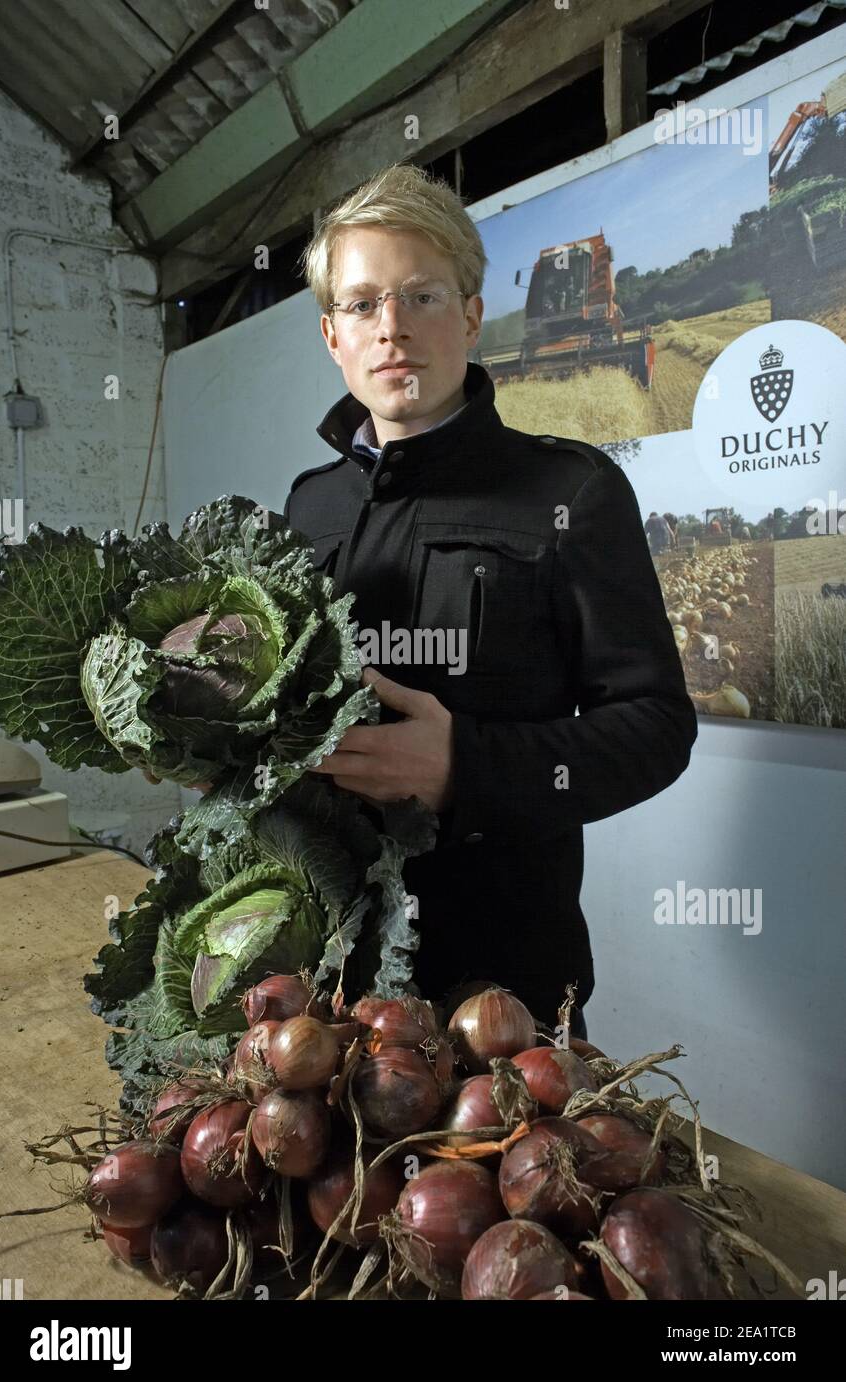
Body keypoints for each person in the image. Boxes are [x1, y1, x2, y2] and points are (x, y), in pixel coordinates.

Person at [283, 164, 697, 1035]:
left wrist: (463, 769)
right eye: (362, 305)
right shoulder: (309, 504)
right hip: (328, 978)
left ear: (470, 315)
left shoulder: (570, 490)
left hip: (502, 986)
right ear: (331, 334)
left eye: (422, 297)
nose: (392, 329)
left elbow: (656, 725)